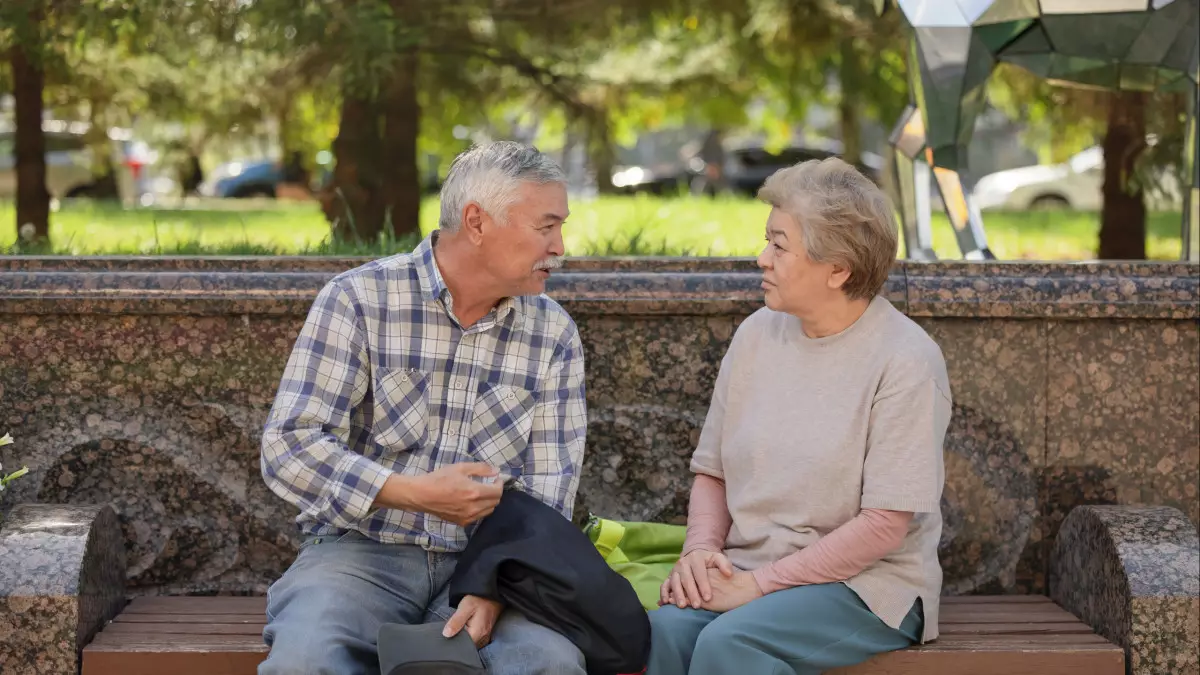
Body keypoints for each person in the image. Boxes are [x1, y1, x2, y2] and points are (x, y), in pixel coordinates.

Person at [258, 141, 589, 675]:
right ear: (477, 223)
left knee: (549, 664)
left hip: (492, 565)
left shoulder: (553, 333)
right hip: (359, 553)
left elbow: (550, 490)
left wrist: (499, 587)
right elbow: (288, 446)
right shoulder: (359, 300)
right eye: (545, 227)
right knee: (304, 661)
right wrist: (410, 493)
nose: (560, 246)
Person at [647, 157, 951, 675]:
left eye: (779, 245)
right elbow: (713, 471)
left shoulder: (907, 361)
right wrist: (699, 553)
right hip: (749, 568)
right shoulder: (757, 334)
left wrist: (758, 586)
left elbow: (883, 527)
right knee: (667, 628)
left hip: (868, 586)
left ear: (838, 269)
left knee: (730, 645)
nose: (761, 258)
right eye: (766, 240)